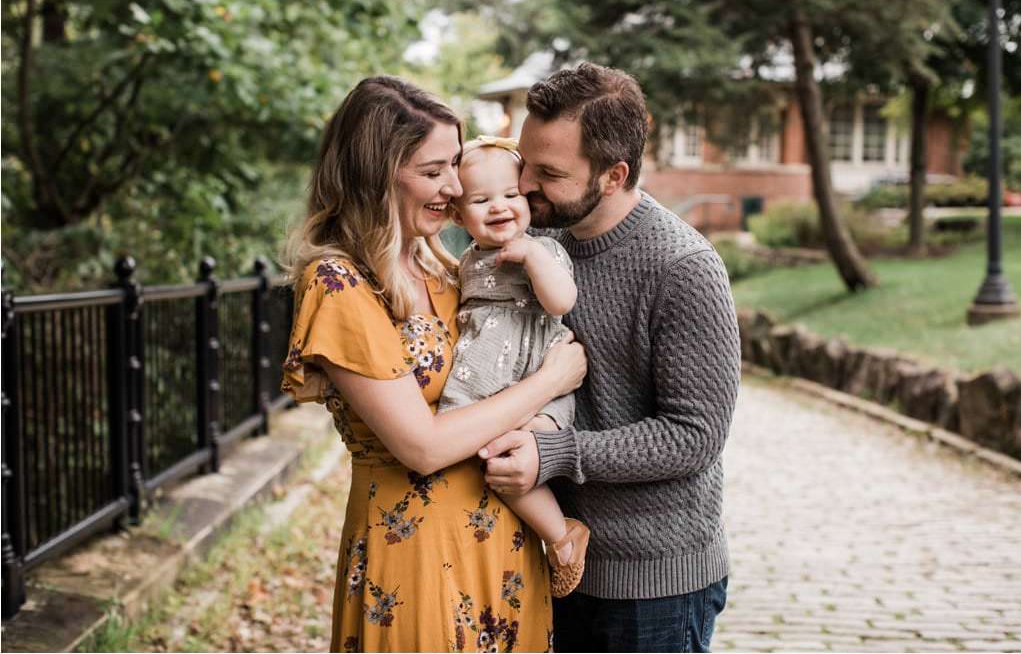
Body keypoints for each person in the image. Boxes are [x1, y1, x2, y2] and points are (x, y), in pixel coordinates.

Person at [280, 76, 587, 652]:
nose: (453, 185)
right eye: (432, 171)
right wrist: (552, 380)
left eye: (453, 165)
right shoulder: (340, 284)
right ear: (376, 173)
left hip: (507, 547)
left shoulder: (450, 269)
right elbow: (420, 446)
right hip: (415, 555)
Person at [478, 62, 741, 653]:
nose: (524, 188)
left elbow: (694, 436)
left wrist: (556, 453)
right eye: (526, 166)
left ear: (613, 174)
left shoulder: (683, 267)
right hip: (552, 566)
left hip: (654, 588)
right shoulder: (538, 246)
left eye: (549, 174)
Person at [439, 135, 591, 598]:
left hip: (534, 378)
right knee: (465, 443)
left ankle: (559, 536)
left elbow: (562, 300)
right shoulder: (463, 261)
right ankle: (560, 531)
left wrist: (531, 257)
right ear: (458, 215)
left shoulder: (544, 251)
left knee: (509, 454)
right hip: (484, 377)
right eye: (481, 200)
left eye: (511, 195)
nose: (499, 207)